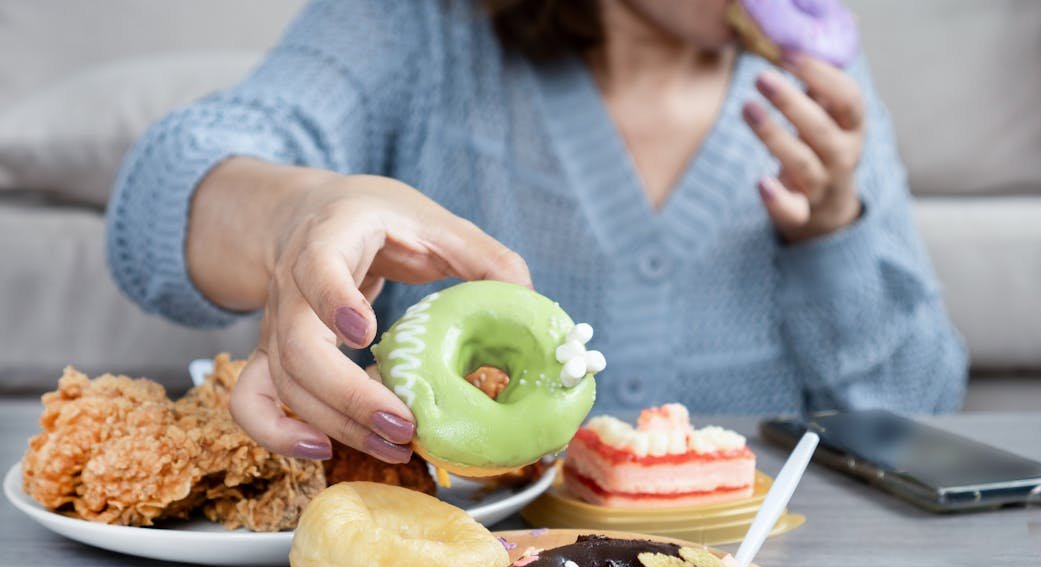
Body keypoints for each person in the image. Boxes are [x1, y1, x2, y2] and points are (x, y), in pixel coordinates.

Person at [105, 0, 967, 464]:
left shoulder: (821, 86)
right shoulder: (418, 28)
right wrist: (298, 215)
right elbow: (161, 194)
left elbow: (922, 409)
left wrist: (834, 233)